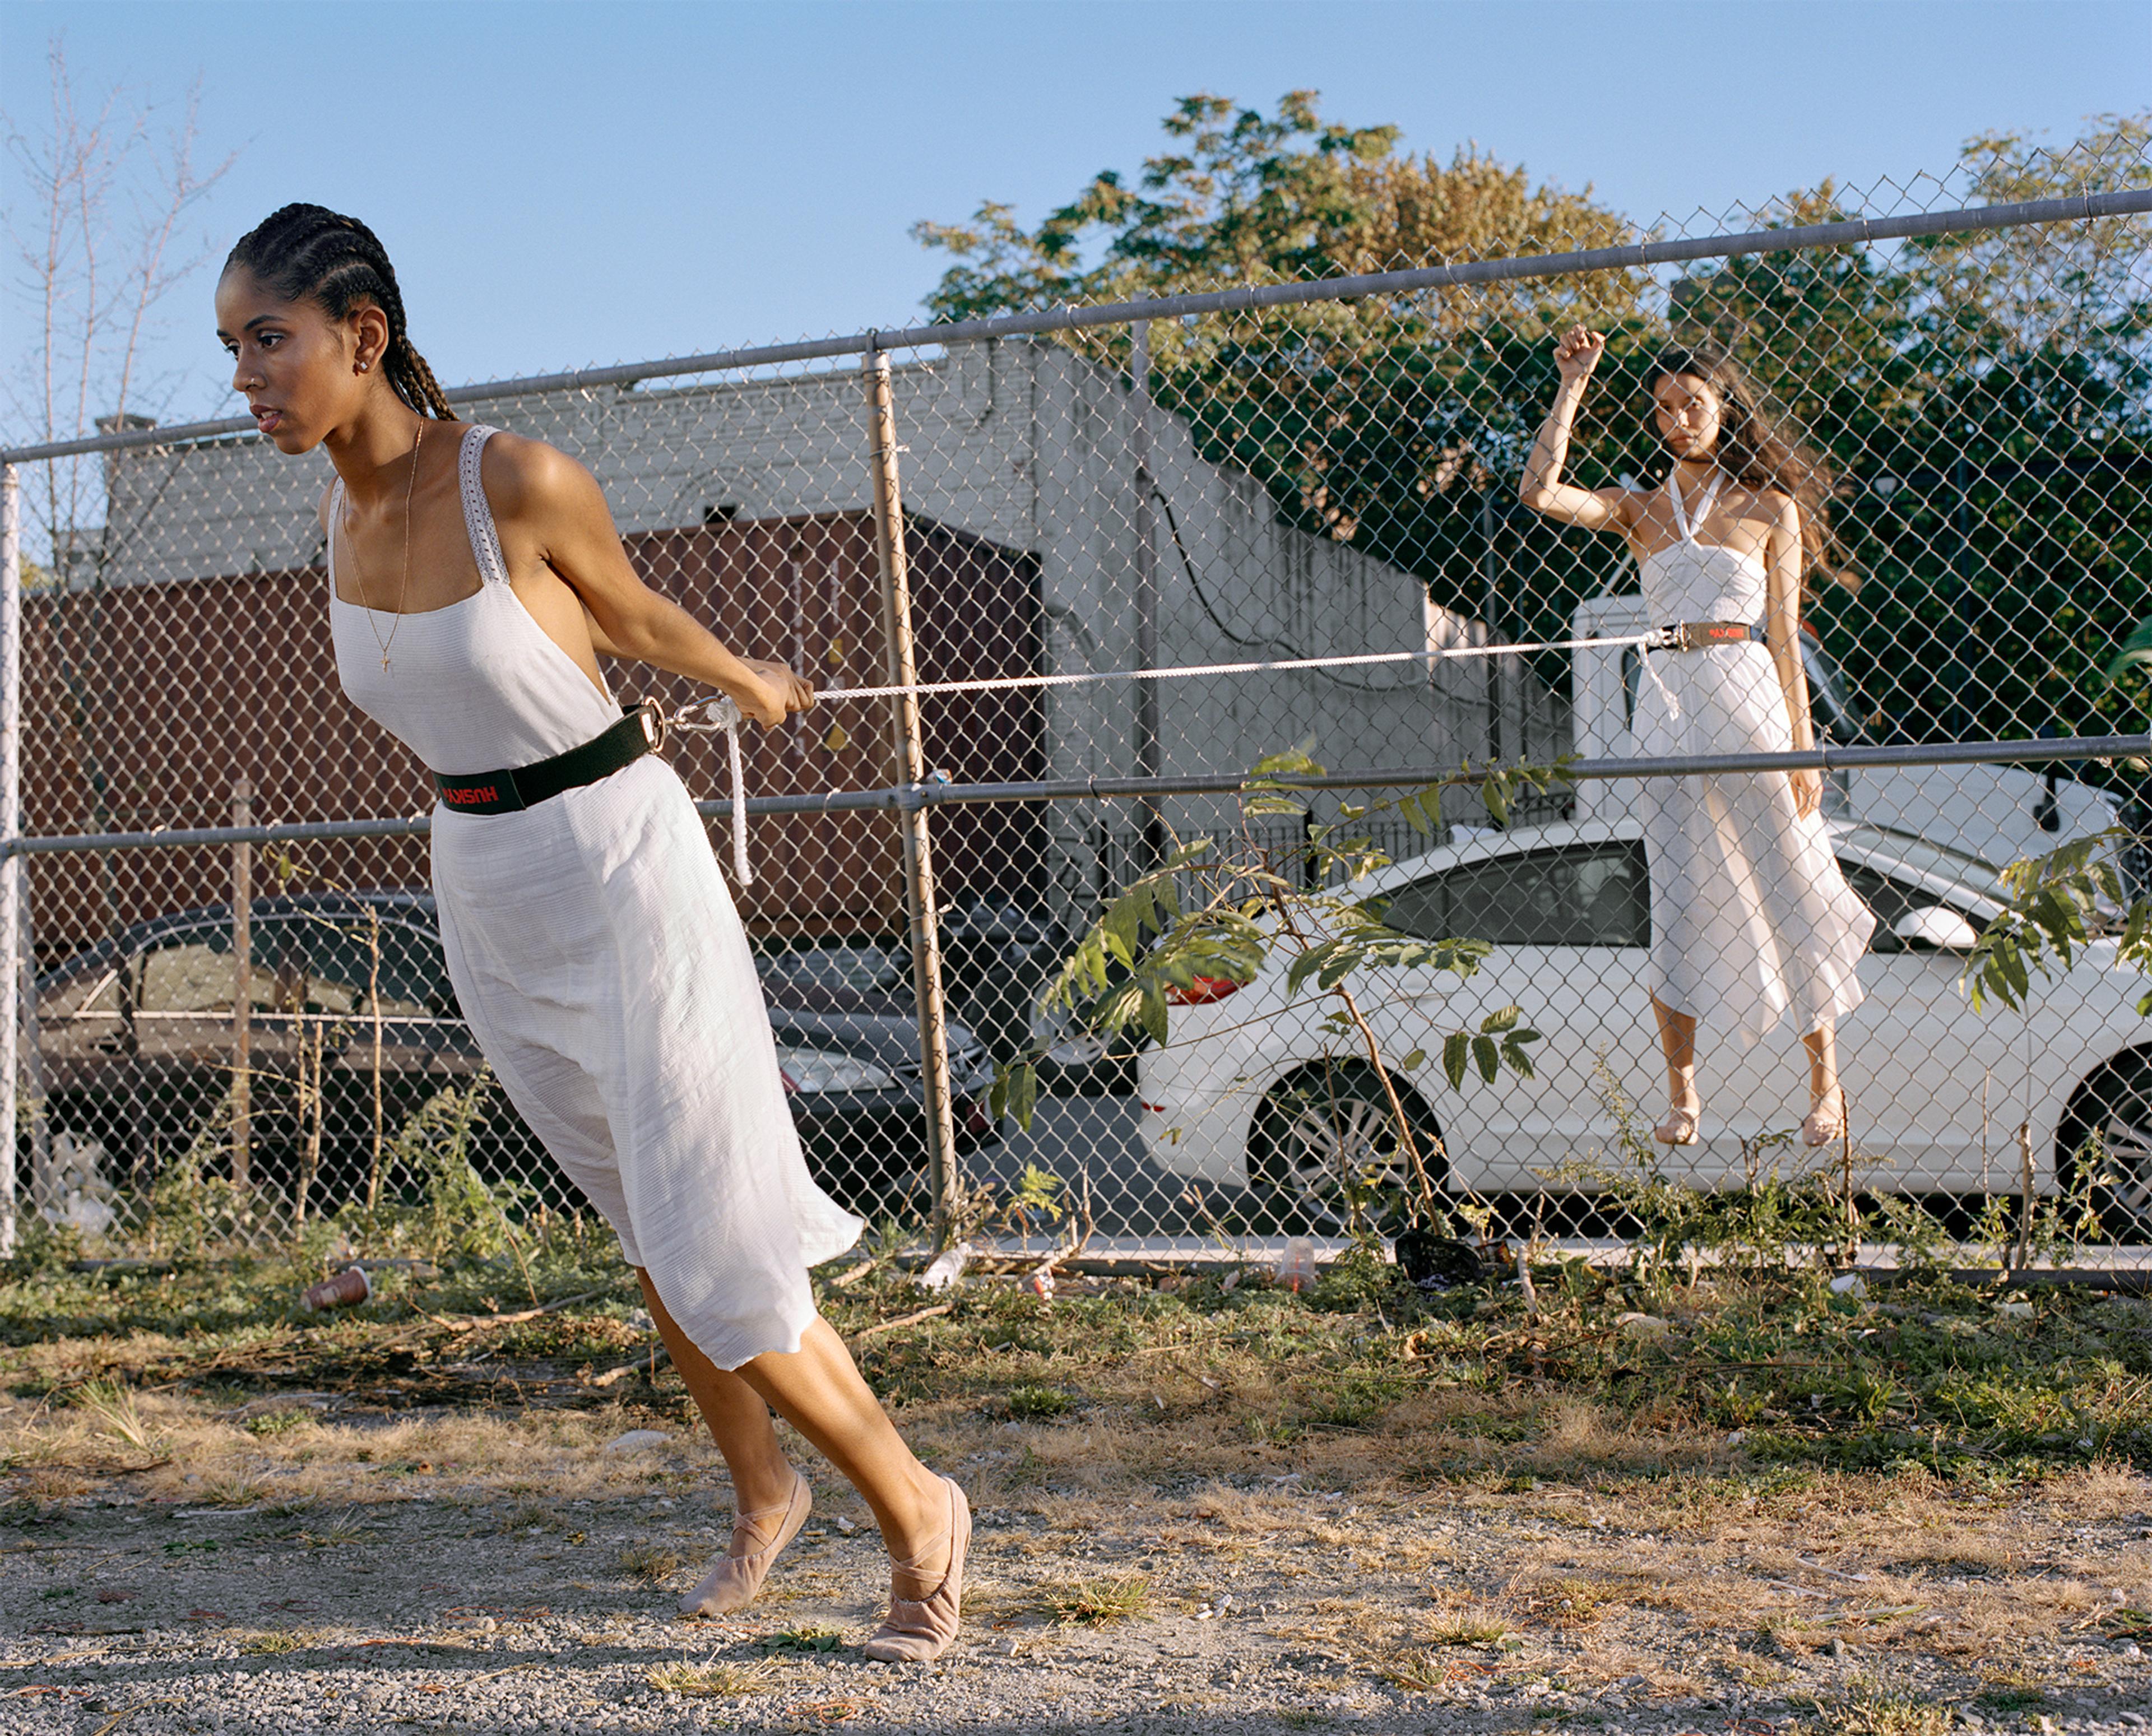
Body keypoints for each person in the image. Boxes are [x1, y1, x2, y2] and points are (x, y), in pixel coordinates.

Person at [214, 205, 966, 1660]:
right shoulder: (333, 513)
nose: (246, 374)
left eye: (270, 339)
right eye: (232, 346)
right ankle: (765, 1496)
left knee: (719, 1243)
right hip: (485, 883)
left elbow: (626, 610)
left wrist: (747, 674)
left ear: (362, 339)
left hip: (619, 864)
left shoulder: (517, 478)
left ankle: (923, 1511)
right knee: (646, 1226)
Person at [1519, 327, 1873, 1148]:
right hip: (1669, 700)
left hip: (1748, 694)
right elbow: (1541, 493)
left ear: (1724, 408)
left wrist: (1805, 744)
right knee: (1676, 892)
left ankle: (1828, 1086)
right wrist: (1573, 385)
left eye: (1693, 404)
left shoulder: (1769, 509)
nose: (1679, 419)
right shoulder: (1639, 510)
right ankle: (1684, 1094)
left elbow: (1785, 637)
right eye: (1664, 409)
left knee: (1788, 878)